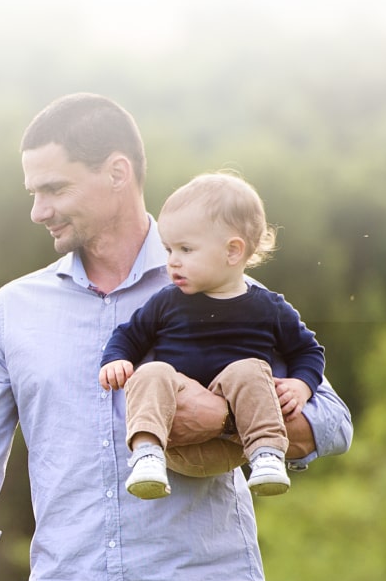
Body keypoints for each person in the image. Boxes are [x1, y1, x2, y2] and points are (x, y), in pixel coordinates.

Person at [0, 94, 354, 581]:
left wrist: (223, 418)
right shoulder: (11, 312)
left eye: (54, 189)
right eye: (33, 194)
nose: (38, 211)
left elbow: (332, 422)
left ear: (117, 172)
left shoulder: (227, 288)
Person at [99, 172, 325, 500]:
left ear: (233, 252)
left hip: (240, 446)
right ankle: (146, 454)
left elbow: (308, 351)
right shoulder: (167, 301)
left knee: (249, 369)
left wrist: (302, 385)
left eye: (186, 249)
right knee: (152, 372)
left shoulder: (269, 307)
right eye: (168, 249)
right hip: (175, 440)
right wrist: (116, 359)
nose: (172, 262)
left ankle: (268, 455)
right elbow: (128, 335)